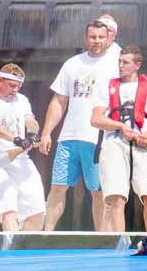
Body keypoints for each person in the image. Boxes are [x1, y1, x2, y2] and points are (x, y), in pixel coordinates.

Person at [39, 18, 116, 230]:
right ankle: (48, 234)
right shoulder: (72, 64)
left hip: (98, 138)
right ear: (86, 38)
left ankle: (102, 238)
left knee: (98, 191)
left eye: (101, 37)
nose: (97, 41)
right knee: (57, 187)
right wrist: (47, 133)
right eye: (93, 37)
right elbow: (59, 101)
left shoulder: (114, 64)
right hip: (69, 136)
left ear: (109, 38)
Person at [91, 46, 147, 233]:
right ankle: (121, 240)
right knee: (116, 197)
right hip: (114, 142)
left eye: (125, 62)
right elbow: (96, 119)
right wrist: (120, 126)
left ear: (137, 65)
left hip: (142, 142)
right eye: (119, 62)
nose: (120, 66)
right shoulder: (107, 87)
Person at [0, 62, 46, 231]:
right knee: (8, 206)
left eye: (19, 86)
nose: (15, 90)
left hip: (20, 160)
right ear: (0, 81)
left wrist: (33, 133)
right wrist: (16, 139)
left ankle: (25, 249)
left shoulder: (22, 100)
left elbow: (30, 119)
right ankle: (11, 252)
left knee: (37, 207)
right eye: (12, 86)